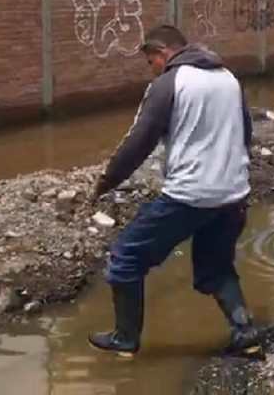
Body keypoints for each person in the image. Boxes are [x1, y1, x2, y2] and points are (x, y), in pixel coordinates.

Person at [88, 25, 260, 357]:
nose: (153, 69)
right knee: (218, 267)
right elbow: (246, 131)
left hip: (189, 195)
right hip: (233, 192)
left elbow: (139, 141)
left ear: (162, 52)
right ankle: (246, 334)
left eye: (151, 61)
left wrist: (107, 181)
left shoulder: (170, 82)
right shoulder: (229, 79)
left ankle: (125, 339)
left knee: (125, 259)